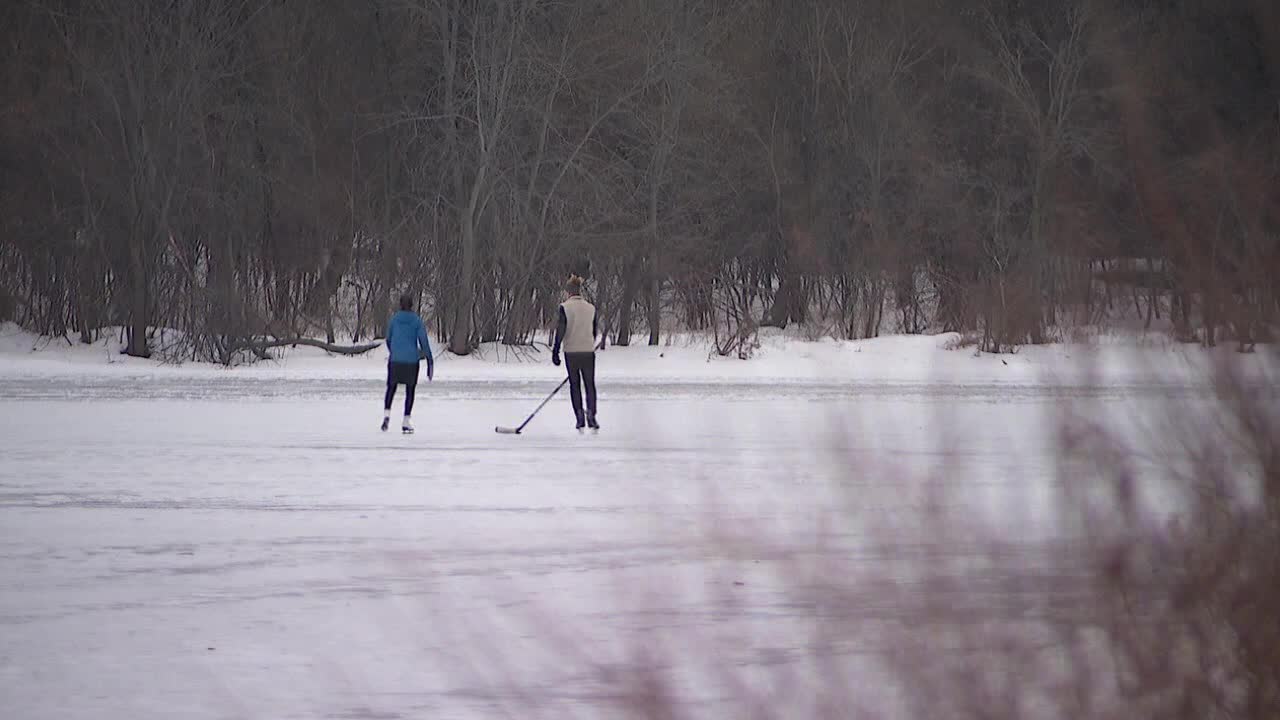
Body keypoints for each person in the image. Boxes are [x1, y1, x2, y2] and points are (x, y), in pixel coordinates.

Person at [552, 275, 599, 431]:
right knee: (590, 384)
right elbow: (594, 331)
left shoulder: (565, 307)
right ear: (579, 290)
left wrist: (556, 350)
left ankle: (579, 415)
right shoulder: (591, 308)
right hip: (588, 351)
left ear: (568, 291)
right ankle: (591, 414)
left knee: (575, 385)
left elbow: (561, 330)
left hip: (571, 351)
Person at [383, 294, 434, 433]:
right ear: (412, 305)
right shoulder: (416, 321)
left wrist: (394, 351)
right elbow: (424, 342)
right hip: (411, 361)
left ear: (400, 304)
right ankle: (406, 421)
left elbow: (388, 339)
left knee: (391, 387)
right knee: (410, 390)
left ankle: (386, 415)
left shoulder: (394, 319)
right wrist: (429, 360)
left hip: (395, 360)